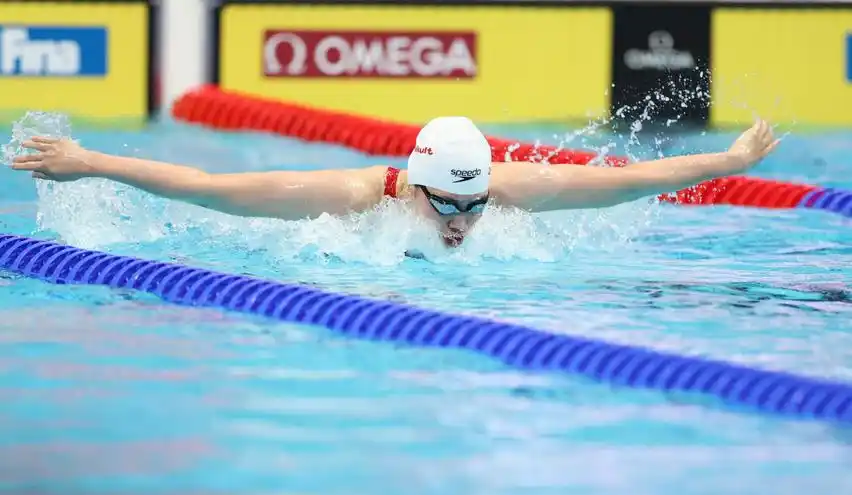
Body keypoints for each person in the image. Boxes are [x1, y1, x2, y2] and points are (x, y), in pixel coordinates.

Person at [9, 116, 778, 248]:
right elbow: (208, 186)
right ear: (412, 187)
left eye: (474, 206)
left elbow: (629, 182)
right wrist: (92, 162)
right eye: (448, 203)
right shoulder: (350, 198)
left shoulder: (496, 193)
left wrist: (731, 164)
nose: (463, 221)